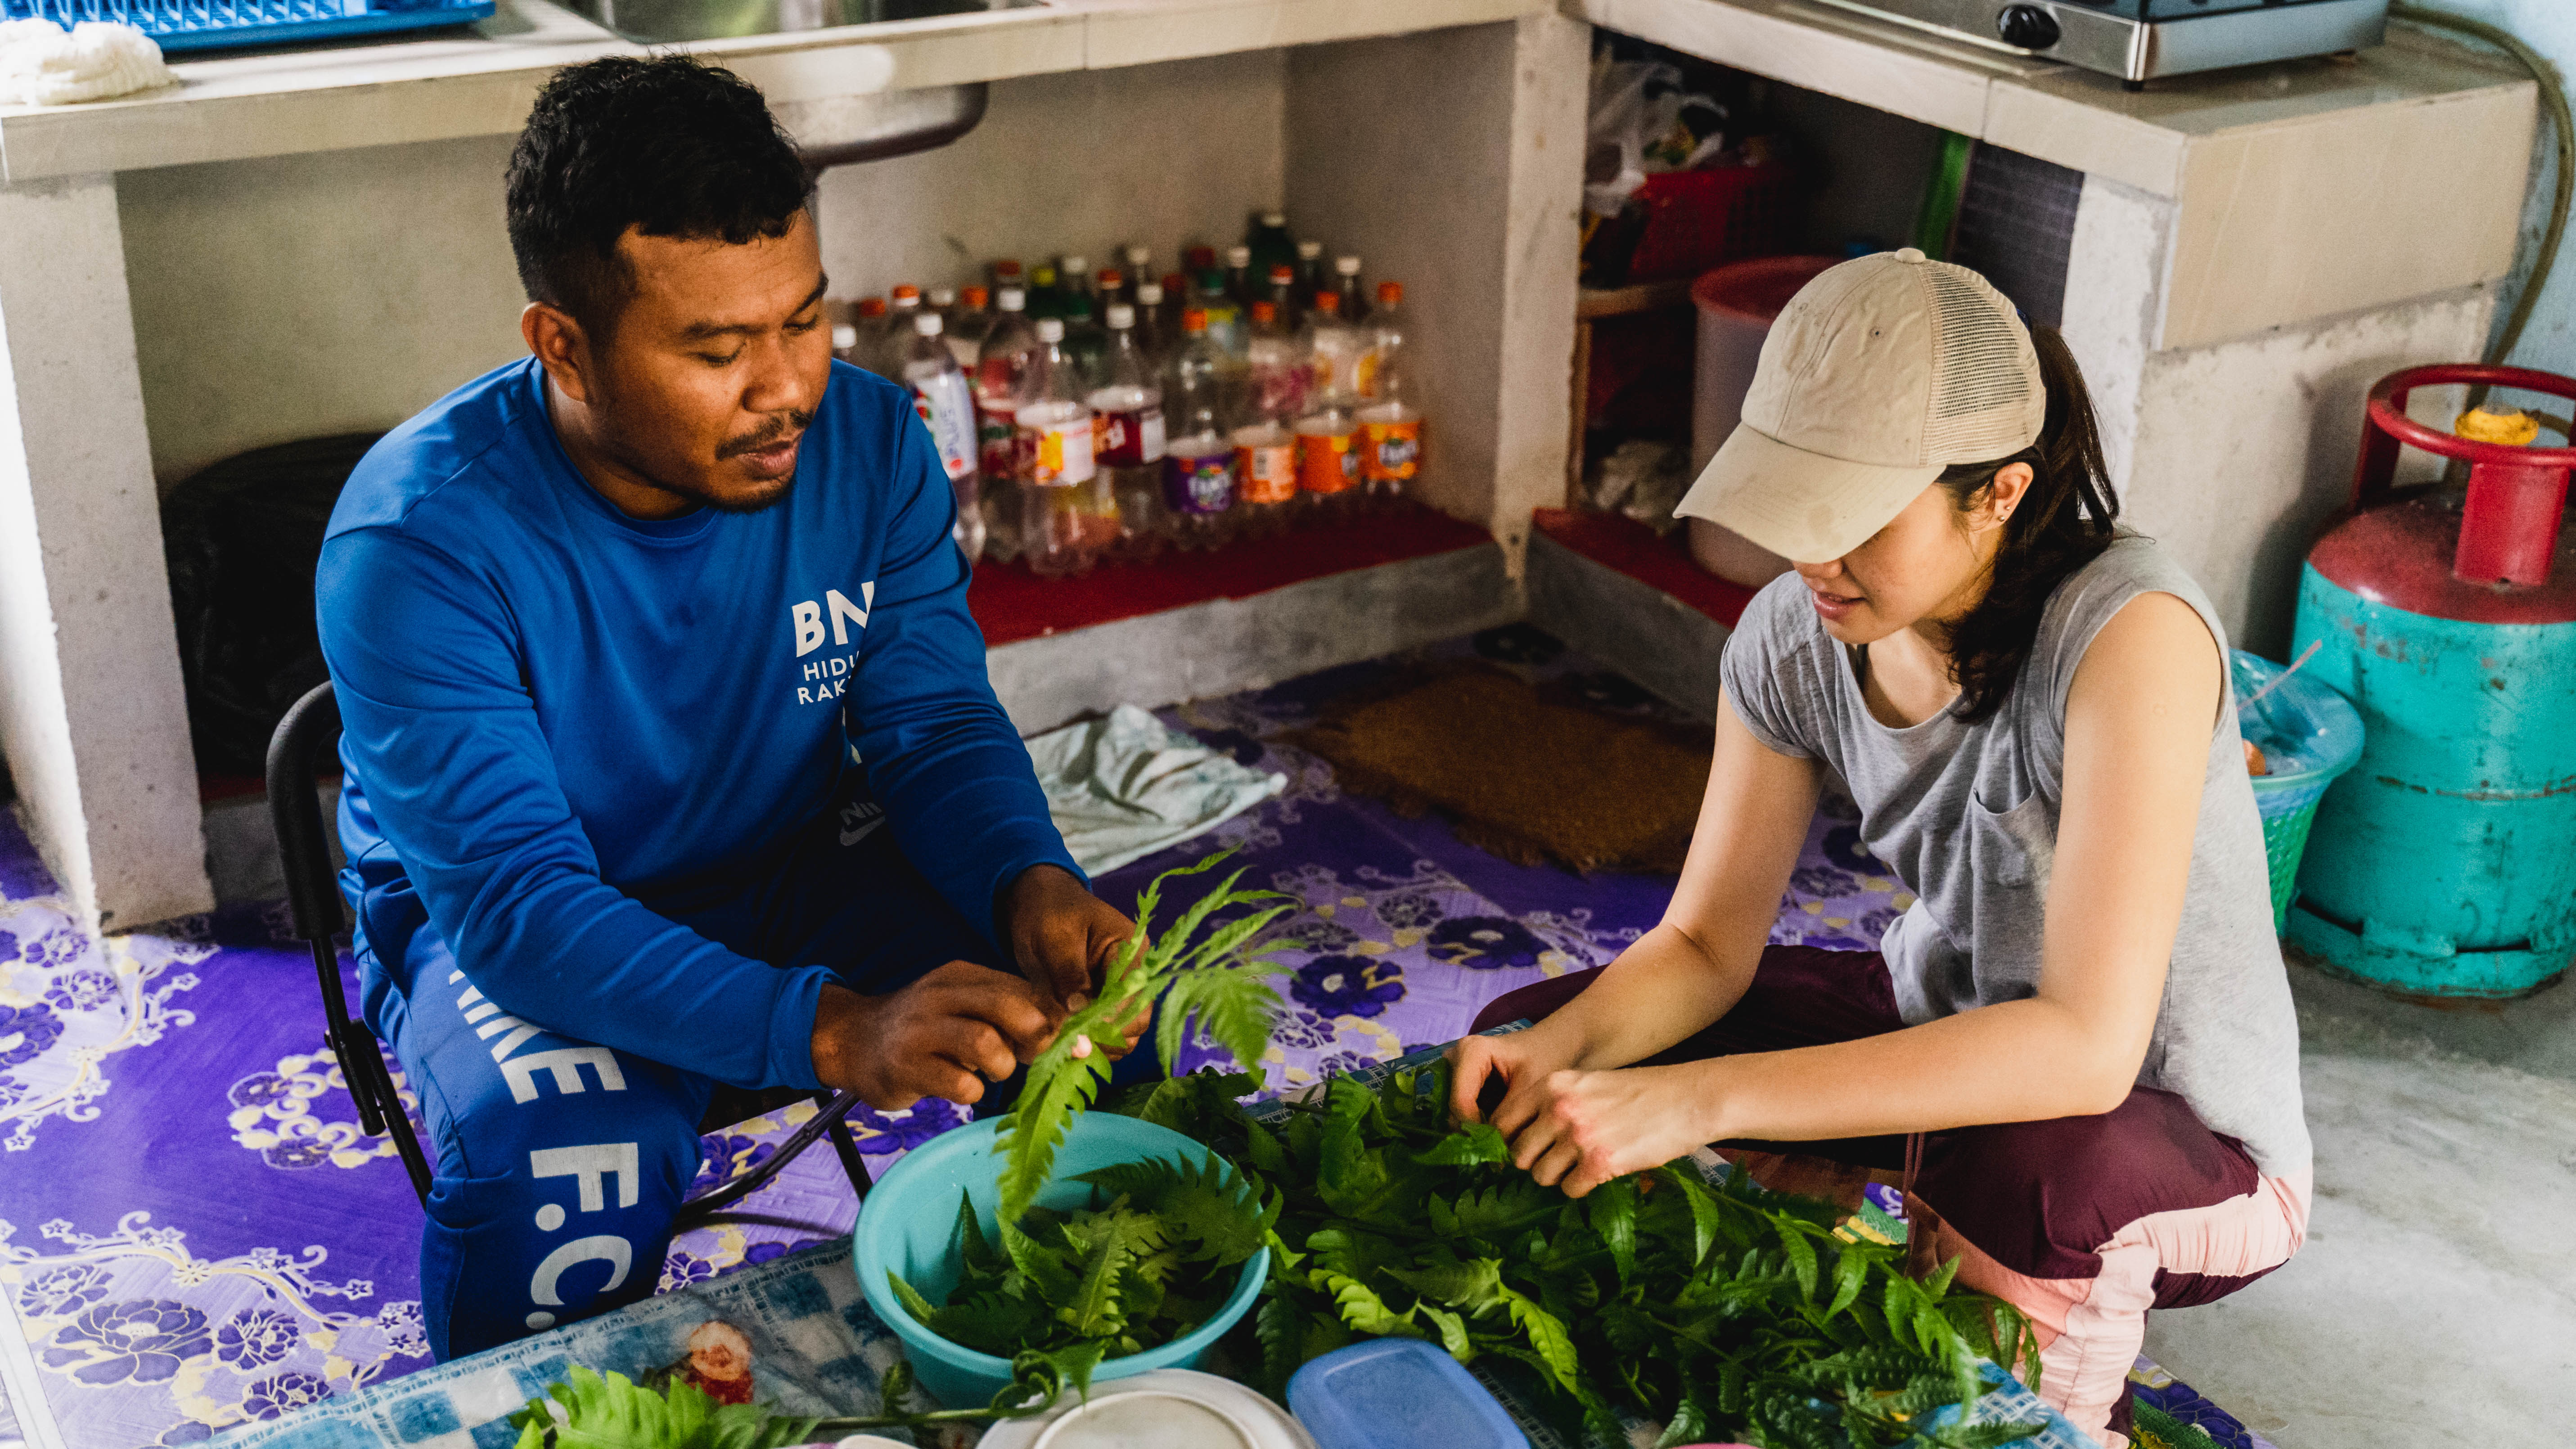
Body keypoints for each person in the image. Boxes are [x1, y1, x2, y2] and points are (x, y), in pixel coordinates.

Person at [317, 57, 1143, 1360]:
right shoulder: (418, 541)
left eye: (805, 320)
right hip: (526, 920)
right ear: (564, 346)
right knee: (569, 1164)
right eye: (715, 350)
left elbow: (929, 726)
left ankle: (1080, 1381)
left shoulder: (868, 444)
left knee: (1083, 1018)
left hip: (790, 856)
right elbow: (522, 911)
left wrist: (1024, 876)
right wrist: (831, 1027)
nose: (788, 389)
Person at [1450, 250, 2308, 1448]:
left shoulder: (2129, 638)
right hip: (1943, 1038)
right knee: (1546, 1057)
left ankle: (2031, 1405)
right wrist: (1559, 1052)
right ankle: (1738, 1330)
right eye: (1797, 509)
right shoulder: (1792, 637)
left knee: (2022, 1179)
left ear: (1997, 494)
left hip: (2164, 1134)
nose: (1815, 558)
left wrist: (1695, 1100)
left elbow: (2083, 1050)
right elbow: (1700, 942)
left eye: (1856, 520)